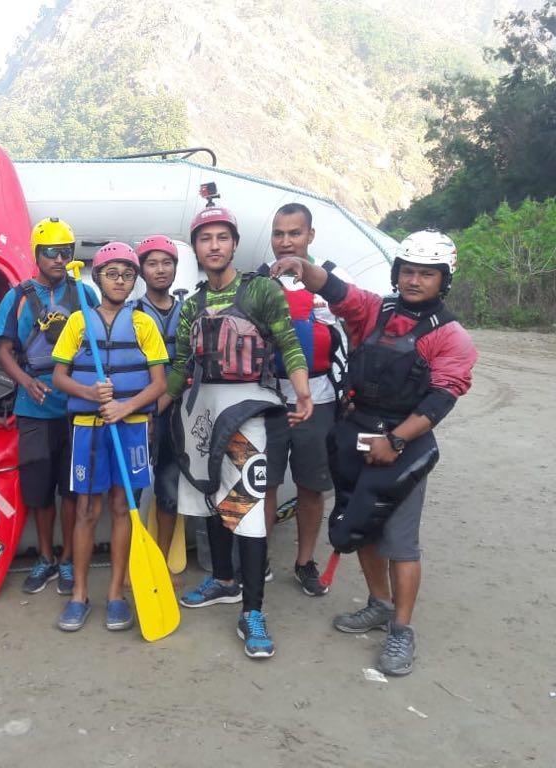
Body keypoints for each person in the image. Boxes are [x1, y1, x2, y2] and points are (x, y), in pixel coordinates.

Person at [270, 230, 477, 676]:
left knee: (400, 540)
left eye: (426, 274)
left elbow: (442, 397)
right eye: (408, 271)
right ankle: (378, 604)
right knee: (356, 524)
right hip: (358, 432)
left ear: (444, 280)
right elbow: (340, 293)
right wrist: (302, 268)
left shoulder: (451, 336)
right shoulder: (376, 311)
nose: (414, 281)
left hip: (404, 445)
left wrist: (397, 440)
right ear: (396, 273)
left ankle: (401, 630)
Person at [161, 204, 312, 659]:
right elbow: (181, 367)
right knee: (210, 499)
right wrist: (149, 408)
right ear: (196, 248)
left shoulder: (261, 290)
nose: (214, 246)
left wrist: (303, 394)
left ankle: (252, 611)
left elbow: (287, 342)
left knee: (244, 508)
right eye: (205, 239)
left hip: (249, 410)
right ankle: (223, 580)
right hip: (203, 410)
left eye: (222, 238)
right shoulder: (193, 305)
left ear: (234, 244)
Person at [51, 243, 167, 631]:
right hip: (89, 429)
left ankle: (116, 594)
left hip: (131, 428)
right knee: (87, 511)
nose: (120, 281)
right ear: (97, 278)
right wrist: (89, 394)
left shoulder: (144, 323)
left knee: (122, 509)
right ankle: (79, 594)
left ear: (135, 281)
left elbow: (159, 384)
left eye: (128, 275)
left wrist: (125, 406)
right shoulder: (78, 321)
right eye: (112, 274)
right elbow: (59, 377)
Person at [0, 218, 98, 595]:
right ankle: (45, 556)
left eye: (66, 252)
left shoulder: (86, 294)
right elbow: (3, 350)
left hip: (75, 400)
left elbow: (99, 341)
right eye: (51, 252)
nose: (59, 258)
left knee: (71, 487)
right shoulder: (18, 296)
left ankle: (69, 559)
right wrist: (27, 382)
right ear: (37, 255)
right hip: (33, 400)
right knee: (38, 489)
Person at [259, 203, 350, 594]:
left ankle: (304, 561)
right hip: (267, 398)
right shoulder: (260, 282)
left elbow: (355, 334)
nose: (286, 241)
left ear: (310, 235)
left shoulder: (333, 280)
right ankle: (257, 559)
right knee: (265, 484)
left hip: (321, 397)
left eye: (294, 233)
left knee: (312, 486)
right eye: (279, 234)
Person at [134, 235, 184, 560]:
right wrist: (147, 409)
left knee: (169, 488)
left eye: (167, 262)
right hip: (138, 412)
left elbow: (185, 365)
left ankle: (163, 561)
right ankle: (131, 560)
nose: (160, 269)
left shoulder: (188, 312)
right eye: (152, 263)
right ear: (142, 271)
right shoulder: (131, 314)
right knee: (132, 490)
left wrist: (160, 406)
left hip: (176, 413)